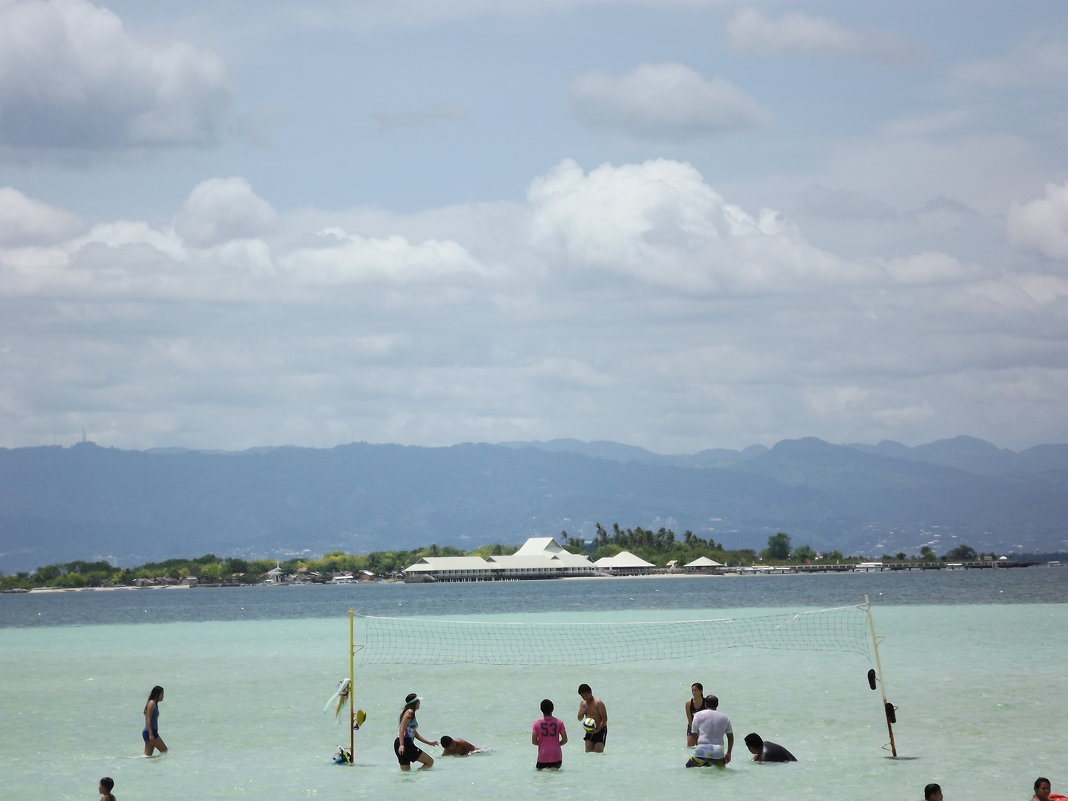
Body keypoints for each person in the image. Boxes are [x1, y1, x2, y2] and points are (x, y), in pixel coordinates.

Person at [686, 694, 733, 768]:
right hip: (718, 751)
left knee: (689, 767)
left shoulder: (697, 715)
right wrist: (729, 753)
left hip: (702, 749)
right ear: (717, 705)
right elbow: (730, 737)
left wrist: (698, 746)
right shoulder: (725, 718)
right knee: (719, 772)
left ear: (705, 704)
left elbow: (694, 734)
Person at [394, 693, 437, 771]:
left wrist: (429, 743)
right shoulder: (410, 712)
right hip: (405, 743)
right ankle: (416, 774)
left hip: (400, 743)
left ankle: (412, 779)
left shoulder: (409, 713)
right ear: (415, 702)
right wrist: (402, 745)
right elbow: (401, 728)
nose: (420, 703)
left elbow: (415, 734)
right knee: (429, 762)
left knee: (406, 774)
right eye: (419, 701)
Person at [532, 698, 568, 770]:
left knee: (541, 779)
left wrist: (541, 744)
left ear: (541, 709)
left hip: (543, 756)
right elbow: (565, 740)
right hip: (556, 755)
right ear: (553, 708)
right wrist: (557, 744)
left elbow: (534, 741)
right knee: (555, 779)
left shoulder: (536, 723)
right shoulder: (559, 722)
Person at [576, 683, 607, 753]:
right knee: (588, 753)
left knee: (598, 754)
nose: (585, 698)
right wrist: (583, 710)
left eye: (586, 695)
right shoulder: (583, 703)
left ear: (590, 692)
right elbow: (579, 718)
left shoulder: (598, 703)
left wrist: (598, 730)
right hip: (589, 730)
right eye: (583, 696)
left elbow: (604, 719)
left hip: (601, 730)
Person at [142, 685, 167, 756]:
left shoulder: (154, 704)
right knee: (165, 751)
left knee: (147, 757)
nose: (163, 696)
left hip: (149, 732)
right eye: (162, 694)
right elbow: (148, 719)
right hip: (150, 732)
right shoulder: (151, 703)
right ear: (157, 695)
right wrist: (151, 734)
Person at [685, 682, 707, 747]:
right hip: (692, 725)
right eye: (692, 690)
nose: (693, 692)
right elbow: (689, 719)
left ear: (701, 691)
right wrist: (694, 730)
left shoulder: (706, 702)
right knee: (690, 746)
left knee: (701, 747)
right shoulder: (688, 703)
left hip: (704, 727)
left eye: (695, 690)